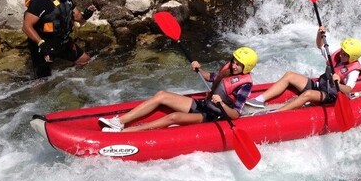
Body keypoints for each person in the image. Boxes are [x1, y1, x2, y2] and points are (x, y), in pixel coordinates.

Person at [99, 47, 258, 132]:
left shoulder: (245, 85)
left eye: (239, 64)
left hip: (215, 116)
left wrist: (221, 104)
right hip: (204, 104)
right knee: (162, 95)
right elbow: (211, 77)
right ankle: (119, 122)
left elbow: (236, 114)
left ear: (247, 67)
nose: (234, 65)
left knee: (173, 117)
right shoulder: (229, 69)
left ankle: (127, 133)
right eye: (234, 61)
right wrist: (199, 69)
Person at [246, 27, 361, 112]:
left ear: (352, 57)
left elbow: (347, 90)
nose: (341, 54)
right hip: (320, 85)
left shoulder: (353, 71)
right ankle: (259, 100)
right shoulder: (337, 56)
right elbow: (320, 45)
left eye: (345, 54)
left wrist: (337, 82)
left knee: (308, 94)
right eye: (342, 51)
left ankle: (278, 112)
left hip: (331, 96)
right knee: (289, 75)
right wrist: (319, 34)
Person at [22, 0, 96, 79]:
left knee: (84, 60)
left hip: (62, 42)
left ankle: (73, 81)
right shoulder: (40, 1)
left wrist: (88, 13)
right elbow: (26, 26)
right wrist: (41, 44)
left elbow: (78, 17)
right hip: (44, 46)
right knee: (42, 81)